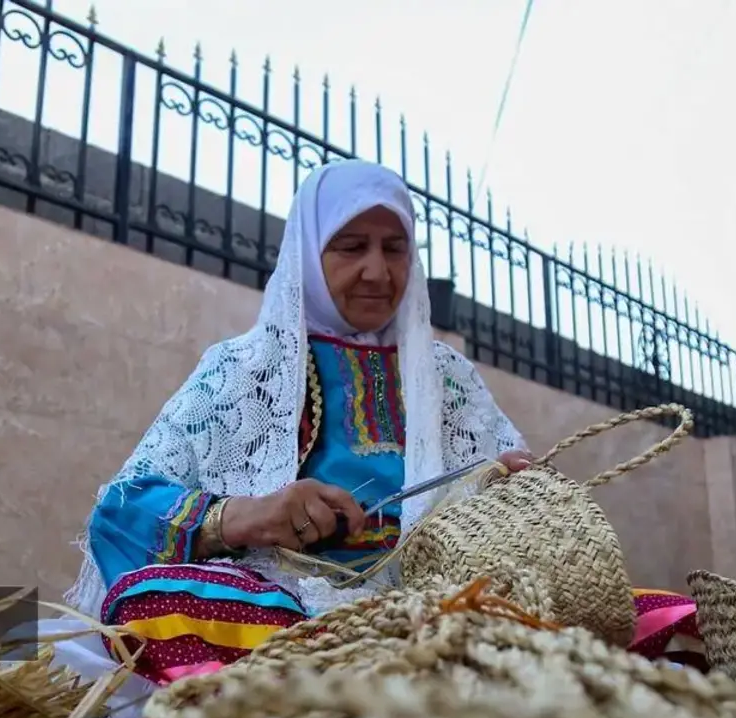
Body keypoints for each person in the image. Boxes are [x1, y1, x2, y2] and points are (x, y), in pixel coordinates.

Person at [48, 159, 533, 687]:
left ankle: (361, 671)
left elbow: (517, 504)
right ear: (307, 251)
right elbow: (120, 512)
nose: (377, 271)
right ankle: (359, 669)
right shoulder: (246, 367)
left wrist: (510, 491)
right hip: (290, 612)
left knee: (631, 612)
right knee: (157, 602)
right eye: (351, 247)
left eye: (394, 248)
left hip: (442, 610)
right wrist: (246, 517)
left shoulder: (448, 378)